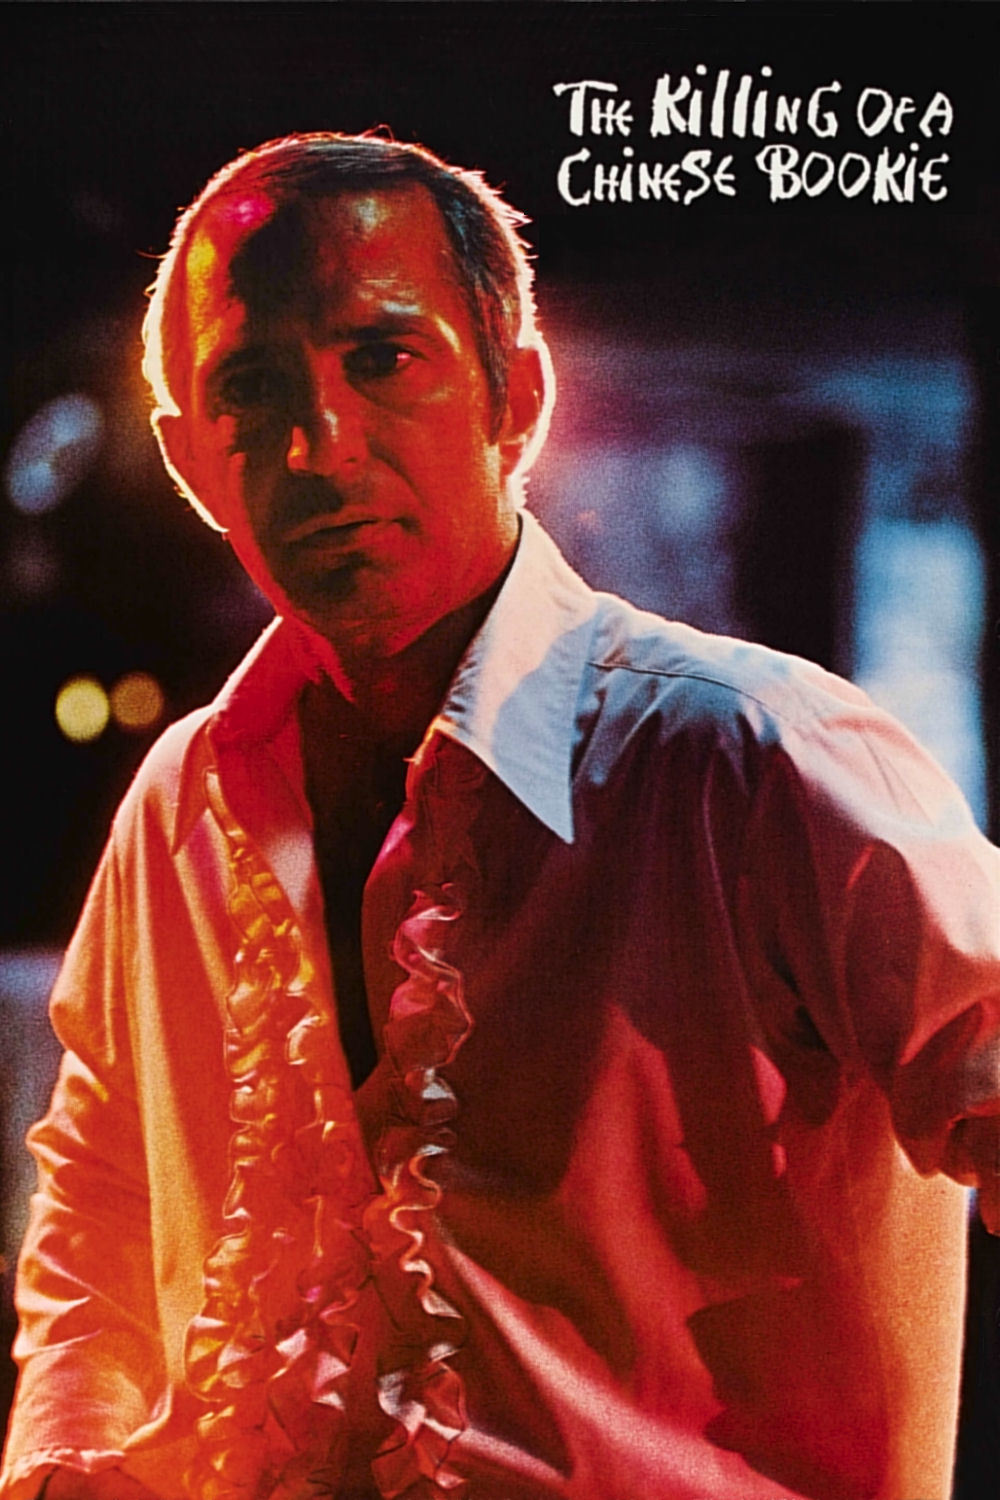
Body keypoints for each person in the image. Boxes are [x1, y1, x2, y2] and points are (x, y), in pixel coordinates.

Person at [3, 132, 1000, 1500]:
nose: (317, 445)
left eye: (383, 359)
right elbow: (102, 1203)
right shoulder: (182, 800)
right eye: (251, 386)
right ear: (190, 459)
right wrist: (68, 1463)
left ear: (514, 398)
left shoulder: (754, 756)